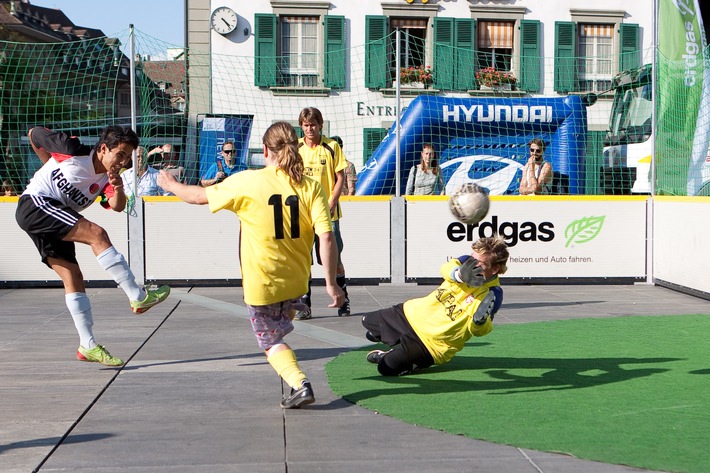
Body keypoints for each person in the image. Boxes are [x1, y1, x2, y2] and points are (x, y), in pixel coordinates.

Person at [157, 122, 345, 409]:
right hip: (297, 281)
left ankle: (300, 382)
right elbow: (327, 237)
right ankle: (289, 342)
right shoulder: (312, 187)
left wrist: (169, 184)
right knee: (280, 326)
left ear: (266, 150)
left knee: (271, 342)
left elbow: (197, 196)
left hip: (263, 283)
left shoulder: (248, 181)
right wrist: (331, 284)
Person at [15, 126, 171, 367]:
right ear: (103, 148)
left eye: (128, 156)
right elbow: (33, 133)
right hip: (36, 204)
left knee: (73, 276)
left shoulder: (108, 178)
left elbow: (118, 206)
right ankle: (137, 296)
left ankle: (87, 345)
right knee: (97, 234)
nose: (123, 161)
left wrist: (118, 188)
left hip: (56, 215)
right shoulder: (71, 150)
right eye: (120, 154)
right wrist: (48, 162)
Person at [362, 236, 509, 376]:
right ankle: (398, 343)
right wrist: (458, 275)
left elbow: (479, 331)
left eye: (480, 263)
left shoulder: (493, 293)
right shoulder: (465, 263)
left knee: (386, 367)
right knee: (367, 323)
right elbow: (446, 268)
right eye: (472, 258)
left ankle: (406, 359)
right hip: (412, 316)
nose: (472, 265)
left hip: (433, 344)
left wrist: (480, 322)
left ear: (494, 269)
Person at [296, 107, 350, 319]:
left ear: (320, 125)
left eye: (313, 125)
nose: (310, 129)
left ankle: (343, 299)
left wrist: (333, 200)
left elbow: (340, 178)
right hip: (303, 213)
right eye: (306, 125)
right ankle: (304, 304)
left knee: (333, 260)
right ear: (301, 126)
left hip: (328, 212)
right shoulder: (297, 148)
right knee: (304, 260)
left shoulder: (331, 146)